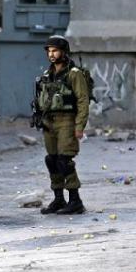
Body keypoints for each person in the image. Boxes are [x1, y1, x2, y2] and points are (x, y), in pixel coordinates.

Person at [34, 35, 90, 215]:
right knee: (51, 160)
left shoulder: (74, 74)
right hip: (49, 122)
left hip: (67, 120)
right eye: (49, 51)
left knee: (64, 161)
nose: (51, 54)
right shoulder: (47, 75)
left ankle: (75, 200)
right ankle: (58, 198)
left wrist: (79, 126)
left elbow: (82, 100)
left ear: (64, 52)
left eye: (55, 51)